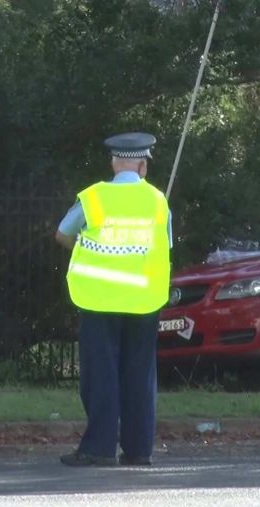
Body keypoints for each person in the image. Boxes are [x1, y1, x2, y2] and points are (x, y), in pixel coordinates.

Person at [55, 132, 171, 467]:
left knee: (101, 374)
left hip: (99, 298)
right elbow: (166, 245)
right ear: (143, 165)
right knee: (140, 376)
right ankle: (138, 450)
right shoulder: (158, 201)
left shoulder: (94, 198)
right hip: (143, 299)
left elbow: (62, 234)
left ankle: (99, 448)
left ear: (113, 162)